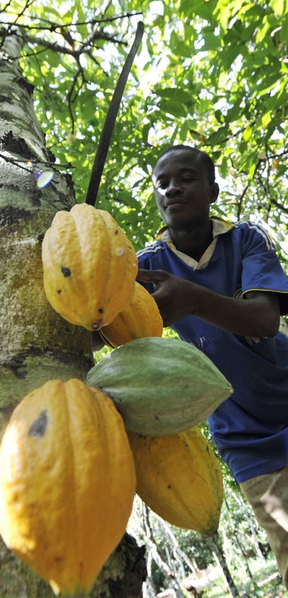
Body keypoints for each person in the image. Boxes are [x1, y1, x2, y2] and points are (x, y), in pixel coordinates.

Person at [136, 144, 288, 588]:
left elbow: (264, 317)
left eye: (186, 178)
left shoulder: (245, 240)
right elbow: (100, 325)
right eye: (162, 183)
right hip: (245, 438)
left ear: (213, 190)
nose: (172, 188)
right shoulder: (145, 267)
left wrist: (190, 299)